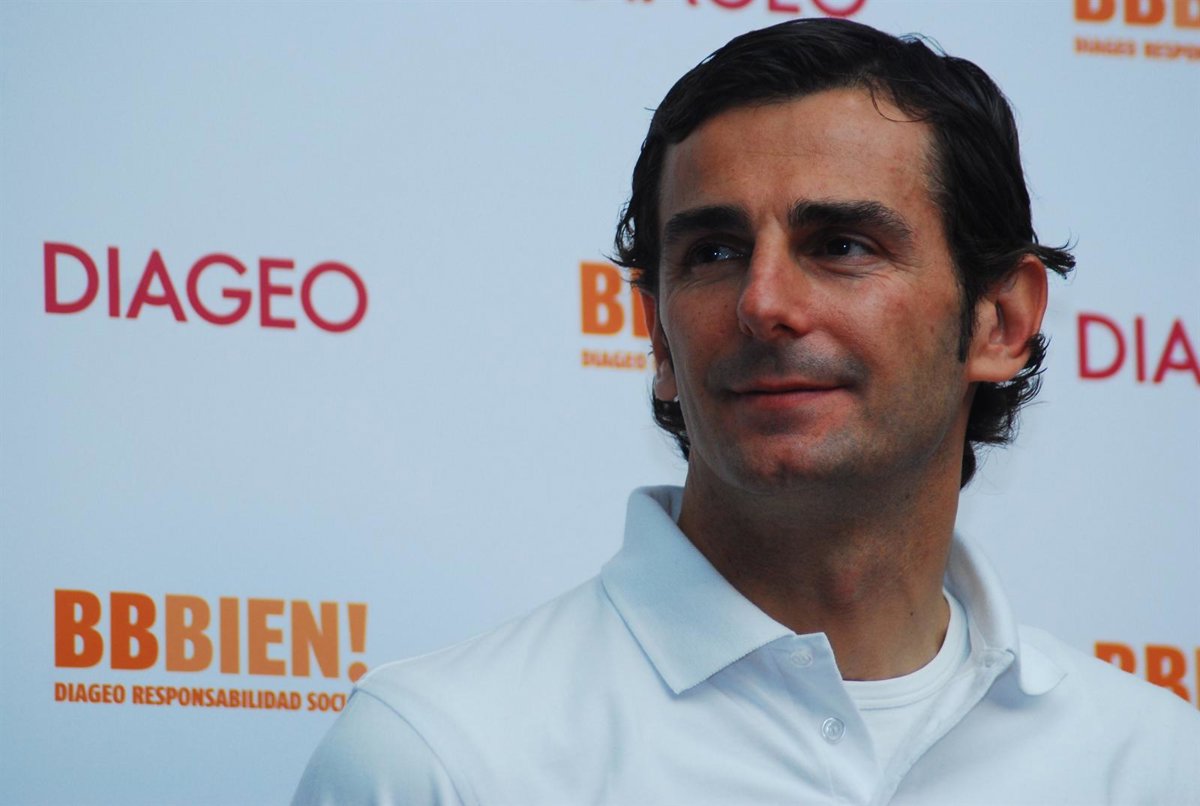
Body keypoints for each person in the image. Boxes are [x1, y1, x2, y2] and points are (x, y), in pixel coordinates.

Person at [294, 18, 1200, 805]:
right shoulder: (444, 758)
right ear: (657, 334)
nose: (762, 302)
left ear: (1000, 321)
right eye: (716, 253)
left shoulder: (1152, 765)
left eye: (842, 245)